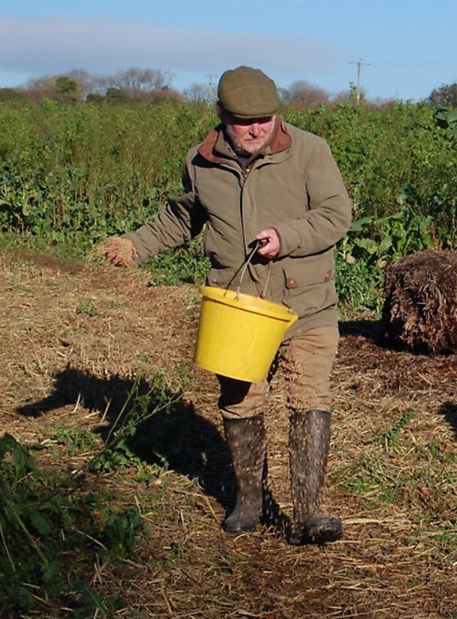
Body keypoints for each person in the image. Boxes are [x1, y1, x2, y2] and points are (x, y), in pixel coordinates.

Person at [101, 66, 352, 545]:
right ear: (221, 116)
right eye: (244, 121)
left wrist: (288, 236)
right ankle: (250, 501)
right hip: (238, 308)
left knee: (309, 395)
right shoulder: (201, 162)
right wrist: (135, 245)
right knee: (241, 401)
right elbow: (180, 218)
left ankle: (309, 512)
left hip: (306, 303)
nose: (258, 129)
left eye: (266, 118)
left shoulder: (310, 151)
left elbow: (336, 213)